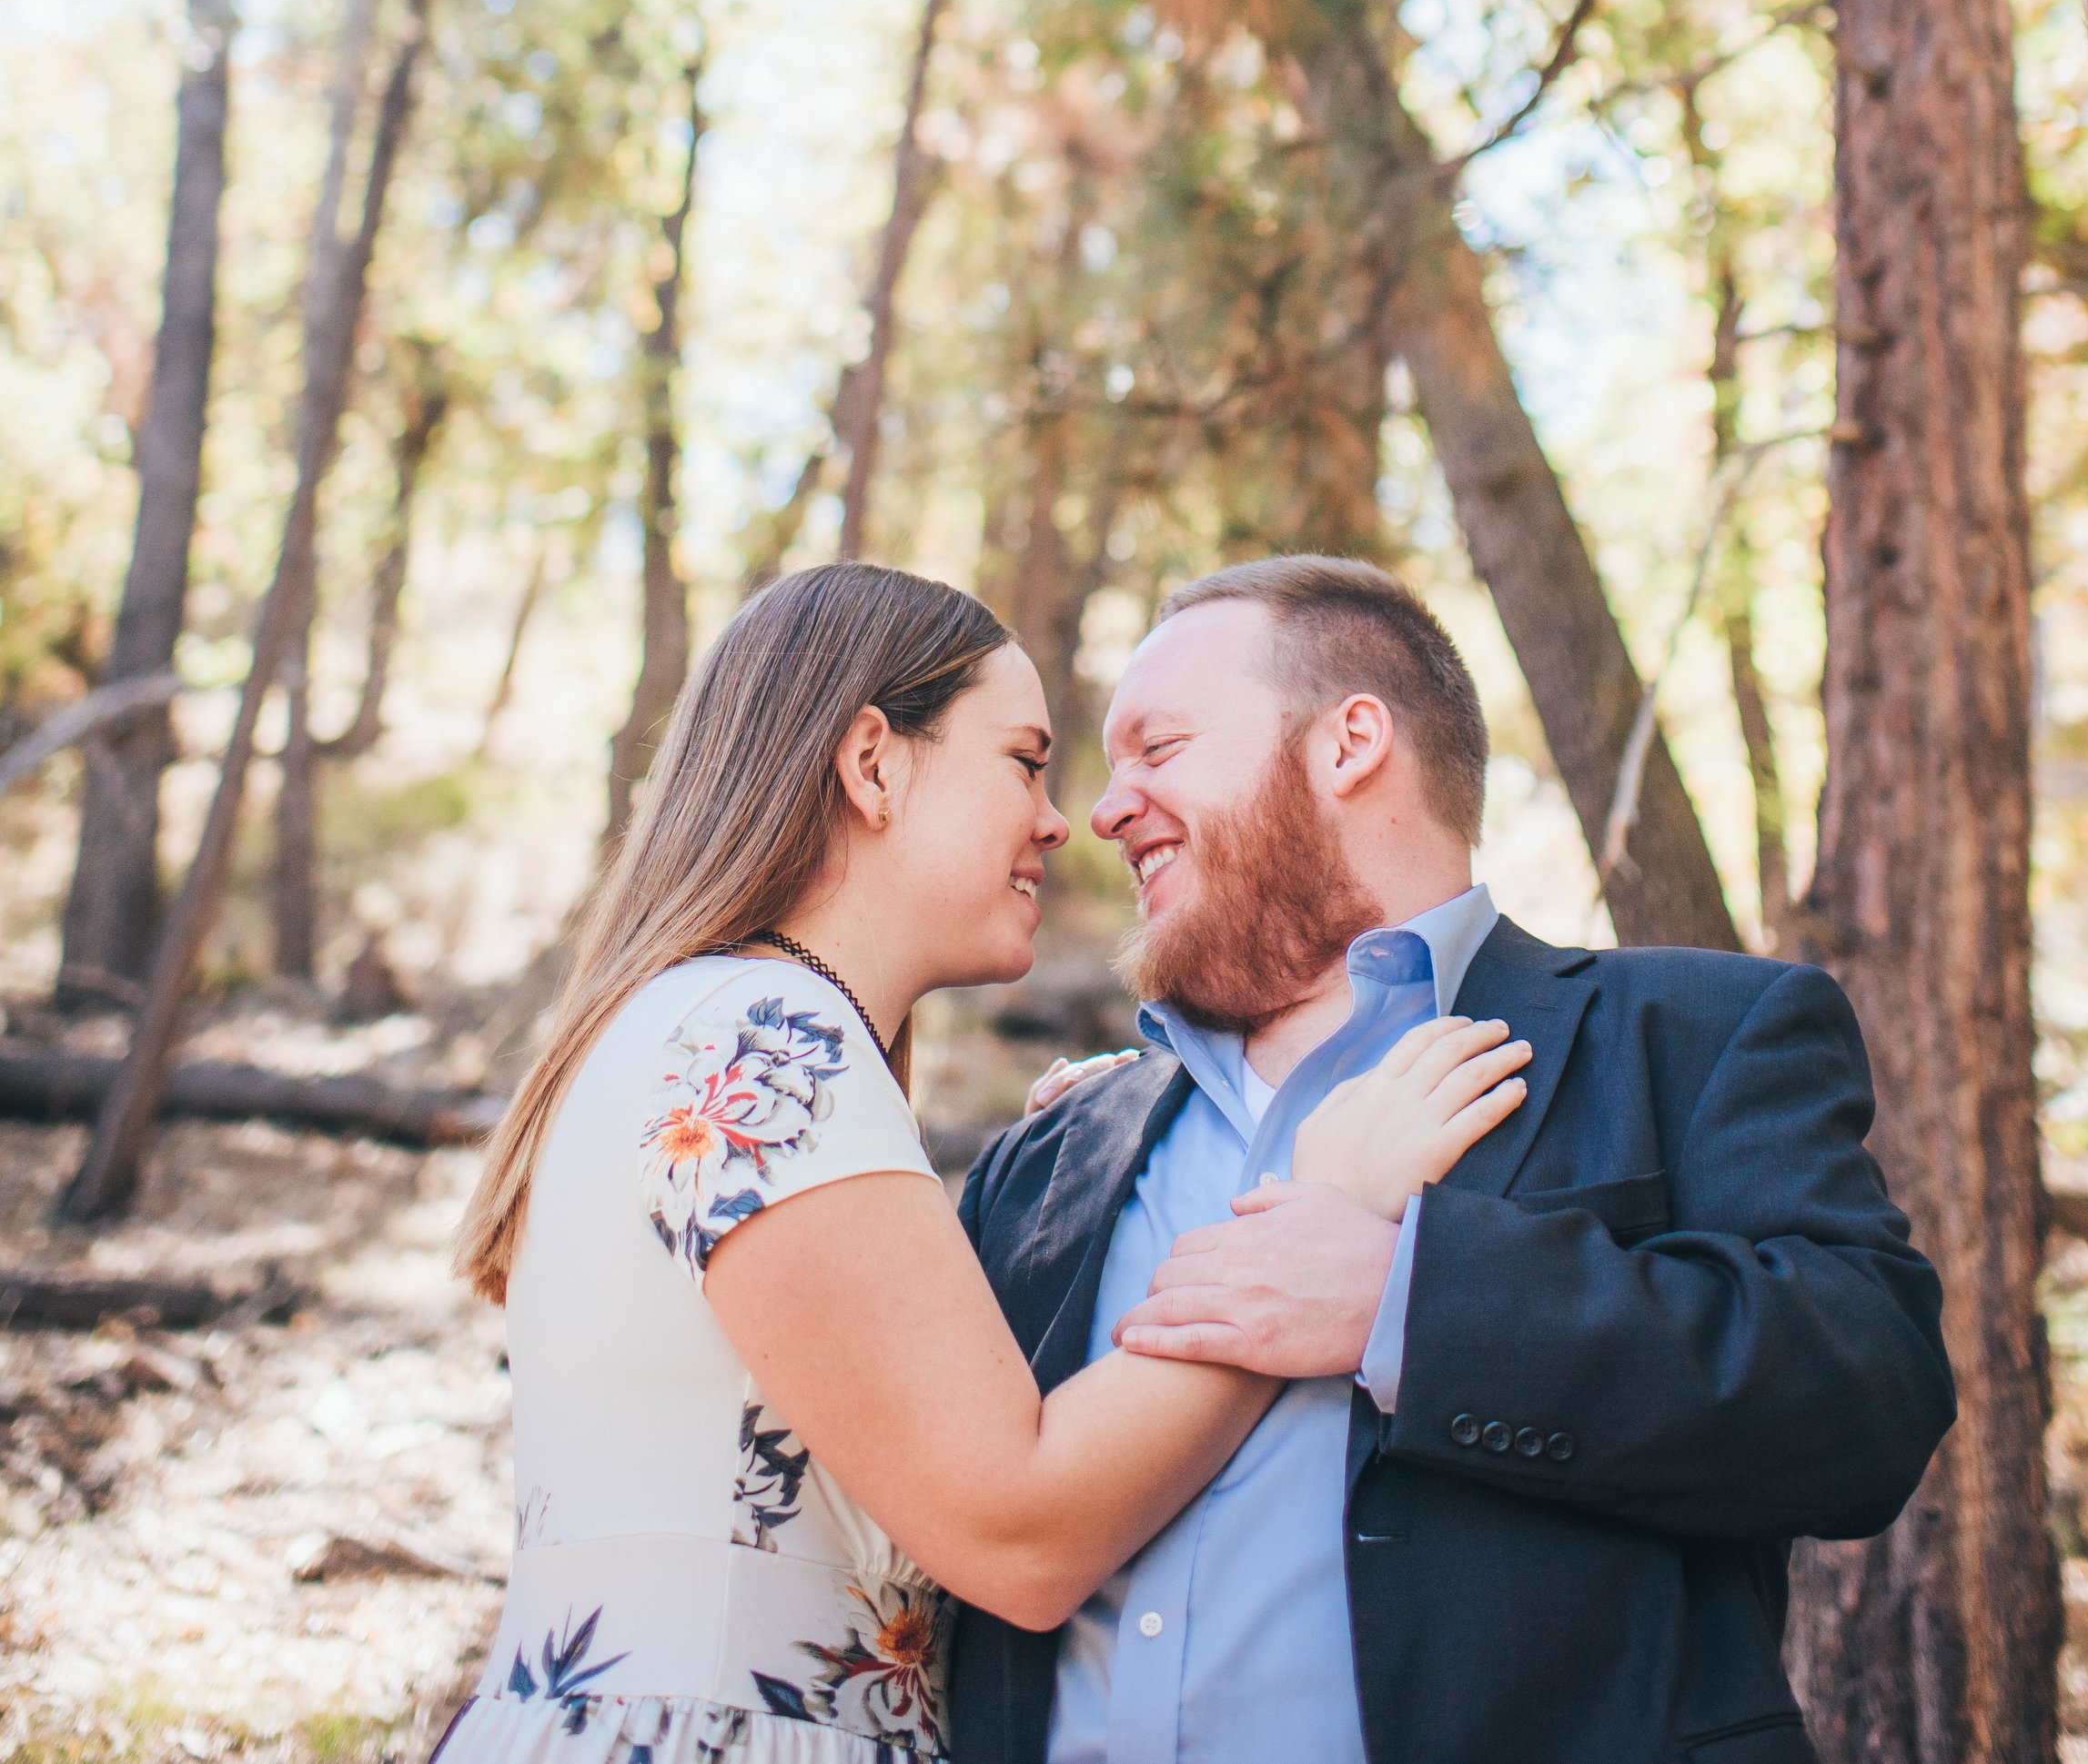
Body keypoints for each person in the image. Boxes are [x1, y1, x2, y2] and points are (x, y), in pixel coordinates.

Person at [437, 559, 1527, 1764]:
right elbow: (1021, 1531)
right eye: (1023, 759)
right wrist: (1313, 1208)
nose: (1063, 820)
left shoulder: (697, 1024)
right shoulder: (763, 1038)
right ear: (872, 762)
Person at [953, 555, 1959, 1764]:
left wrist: (1408, 1304)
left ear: (1349, 741)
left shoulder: (1695, 1036)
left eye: (1157, 748)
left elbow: (1867, 1400)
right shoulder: (1048, 1150)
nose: (1103, 811)